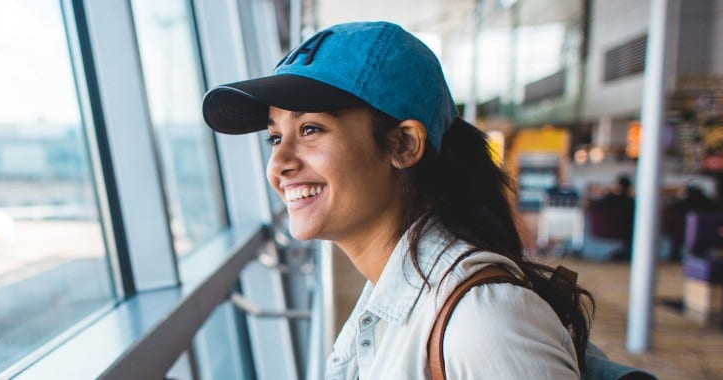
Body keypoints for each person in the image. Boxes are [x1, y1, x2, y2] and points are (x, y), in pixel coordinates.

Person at [202, 22, 594, 379]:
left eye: (310, 129)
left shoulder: (484, 326)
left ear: (404, 145)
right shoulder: (390, 302)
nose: (279, 164)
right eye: (275, 138)